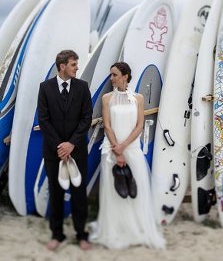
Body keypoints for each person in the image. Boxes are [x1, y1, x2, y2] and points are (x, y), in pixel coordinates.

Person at [89, 62, 165, 249]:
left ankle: (136, 229)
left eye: (115, 75)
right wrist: (117, 149)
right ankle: (116, 228)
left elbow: (139, 125)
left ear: (125, 76)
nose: (112, 78)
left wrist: (123, 147)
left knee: (134, 189)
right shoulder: (107, 98)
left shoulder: (138, 98)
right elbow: (107, 125)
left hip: (131, 149)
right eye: (111, 75)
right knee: (115, 191)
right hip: (112, 149)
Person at [37, 50, 93, 251]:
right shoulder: (45, 88)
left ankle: (81, 234)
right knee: (56, 193)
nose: (77, 68)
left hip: (77, 151)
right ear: (62, 66)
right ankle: (57, 234)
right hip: (54, 152)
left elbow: (87, 118)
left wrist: (71, 144)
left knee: (79, 194)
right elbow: (43, 120)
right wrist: (59, 146)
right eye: (73, 64)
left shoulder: (82, 87)